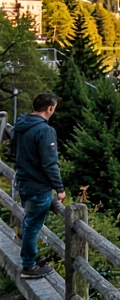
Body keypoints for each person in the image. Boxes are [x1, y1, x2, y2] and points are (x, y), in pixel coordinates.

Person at [12, 92, 64, 279]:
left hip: (23, 182)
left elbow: (12, 151)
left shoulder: (20, 125)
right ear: (49, 108)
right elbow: (50, 163)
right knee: (32, 225)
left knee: (30, 219)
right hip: (38, 186)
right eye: (54, 108)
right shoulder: (45, 130)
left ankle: (31, 256)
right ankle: (29, 265)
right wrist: (59, 188)